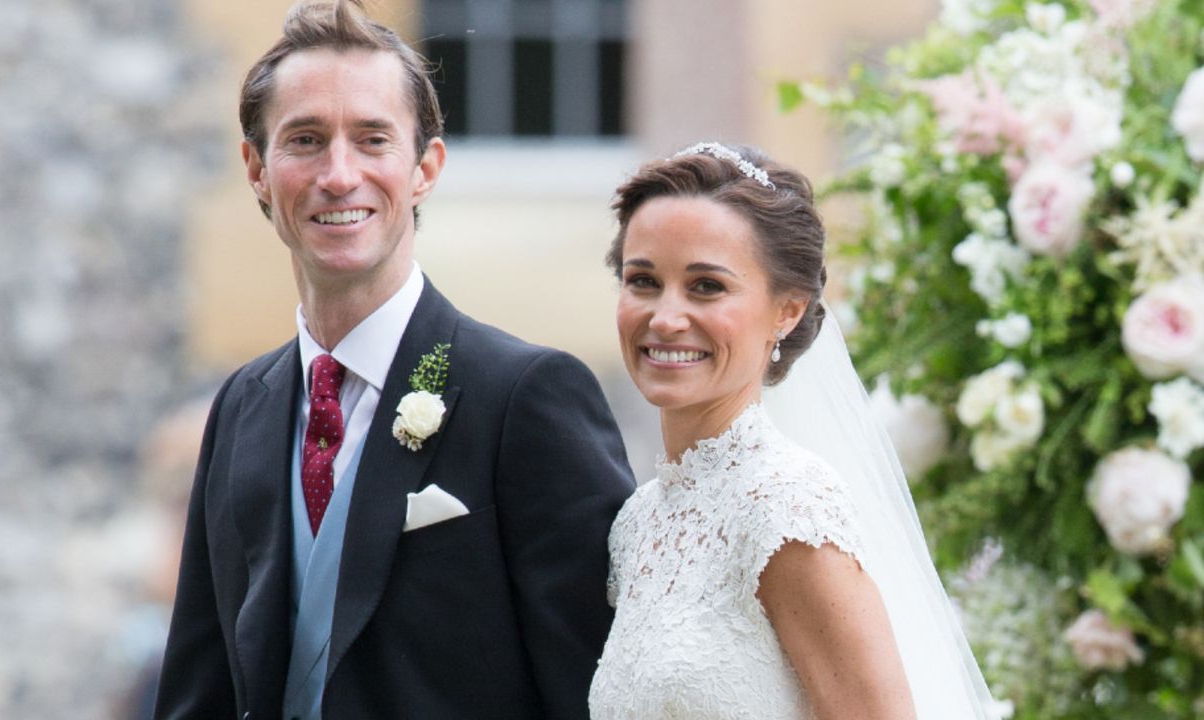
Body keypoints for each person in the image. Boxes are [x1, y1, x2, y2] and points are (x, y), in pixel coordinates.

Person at [154, 1, 635, 717]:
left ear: (424, 168)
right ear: (257, 169)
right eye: (306, 140)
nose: (339, 174)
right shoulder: (241, 407)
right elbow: (199, 694)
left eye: (373, 139)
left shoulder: (527, 397)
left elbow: (599, 693)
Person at [588, 142, 994, 718]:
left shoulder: (786, 506)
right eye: (643, 281)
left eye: (707, 286)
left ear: (788, 311)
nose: (666, 317)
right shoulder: (639, 523)